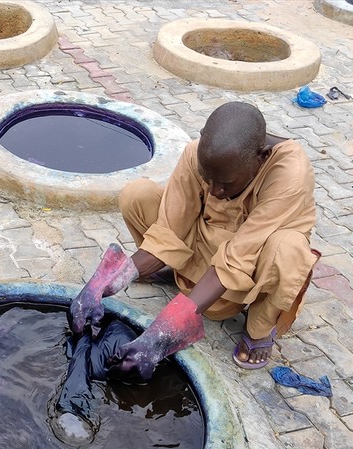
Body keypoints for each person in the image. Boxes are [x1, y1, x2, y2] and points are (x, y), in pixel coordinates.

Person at [70, 101, 319, 377]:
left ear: (260, 158)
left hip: (251, 260)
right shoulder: (196, 154)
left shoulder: (289, 174)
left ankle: (260, 326)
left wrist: (159, 336)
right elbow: (168, 232)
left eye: (226, 184)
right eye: (207, 178)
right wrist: (102, 285)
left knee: (288, 249)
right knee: (137, 195)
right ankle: (176, 272)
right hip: (208, 242)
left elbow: (237, 257)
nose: (214, 191)